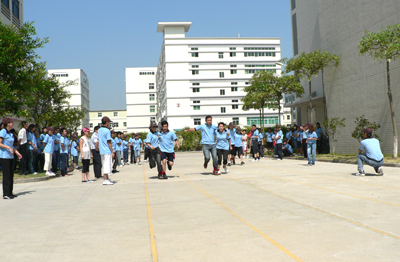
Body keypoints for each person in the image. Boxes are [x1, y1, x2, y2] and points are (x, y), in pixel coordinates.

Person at [0, 118, 22, 199]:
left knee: (11, 175)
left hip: (11, 156)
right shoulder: (3, 131)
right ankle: (6, 194)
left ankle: (10, 192)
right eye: (11, 122)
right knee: (7, 175)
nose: (12, 123)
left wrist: (17, 152)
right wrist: (8, 148)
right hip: (4, 156)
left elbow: (11, 145)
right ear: (7, 123)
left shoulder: (10, 133)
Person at [98, 116, 114, 185]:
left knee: (104, 164)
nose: (109, 124)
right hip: (107, 150)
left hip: (102, 150)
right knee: (107, 165)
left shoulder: (99, 130)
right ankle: (105, 179)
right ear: (106, 122)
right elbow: (109, 142)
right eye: (109, 122)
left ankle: (107, 178)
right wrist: (112, 151)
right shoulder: (107, 131)